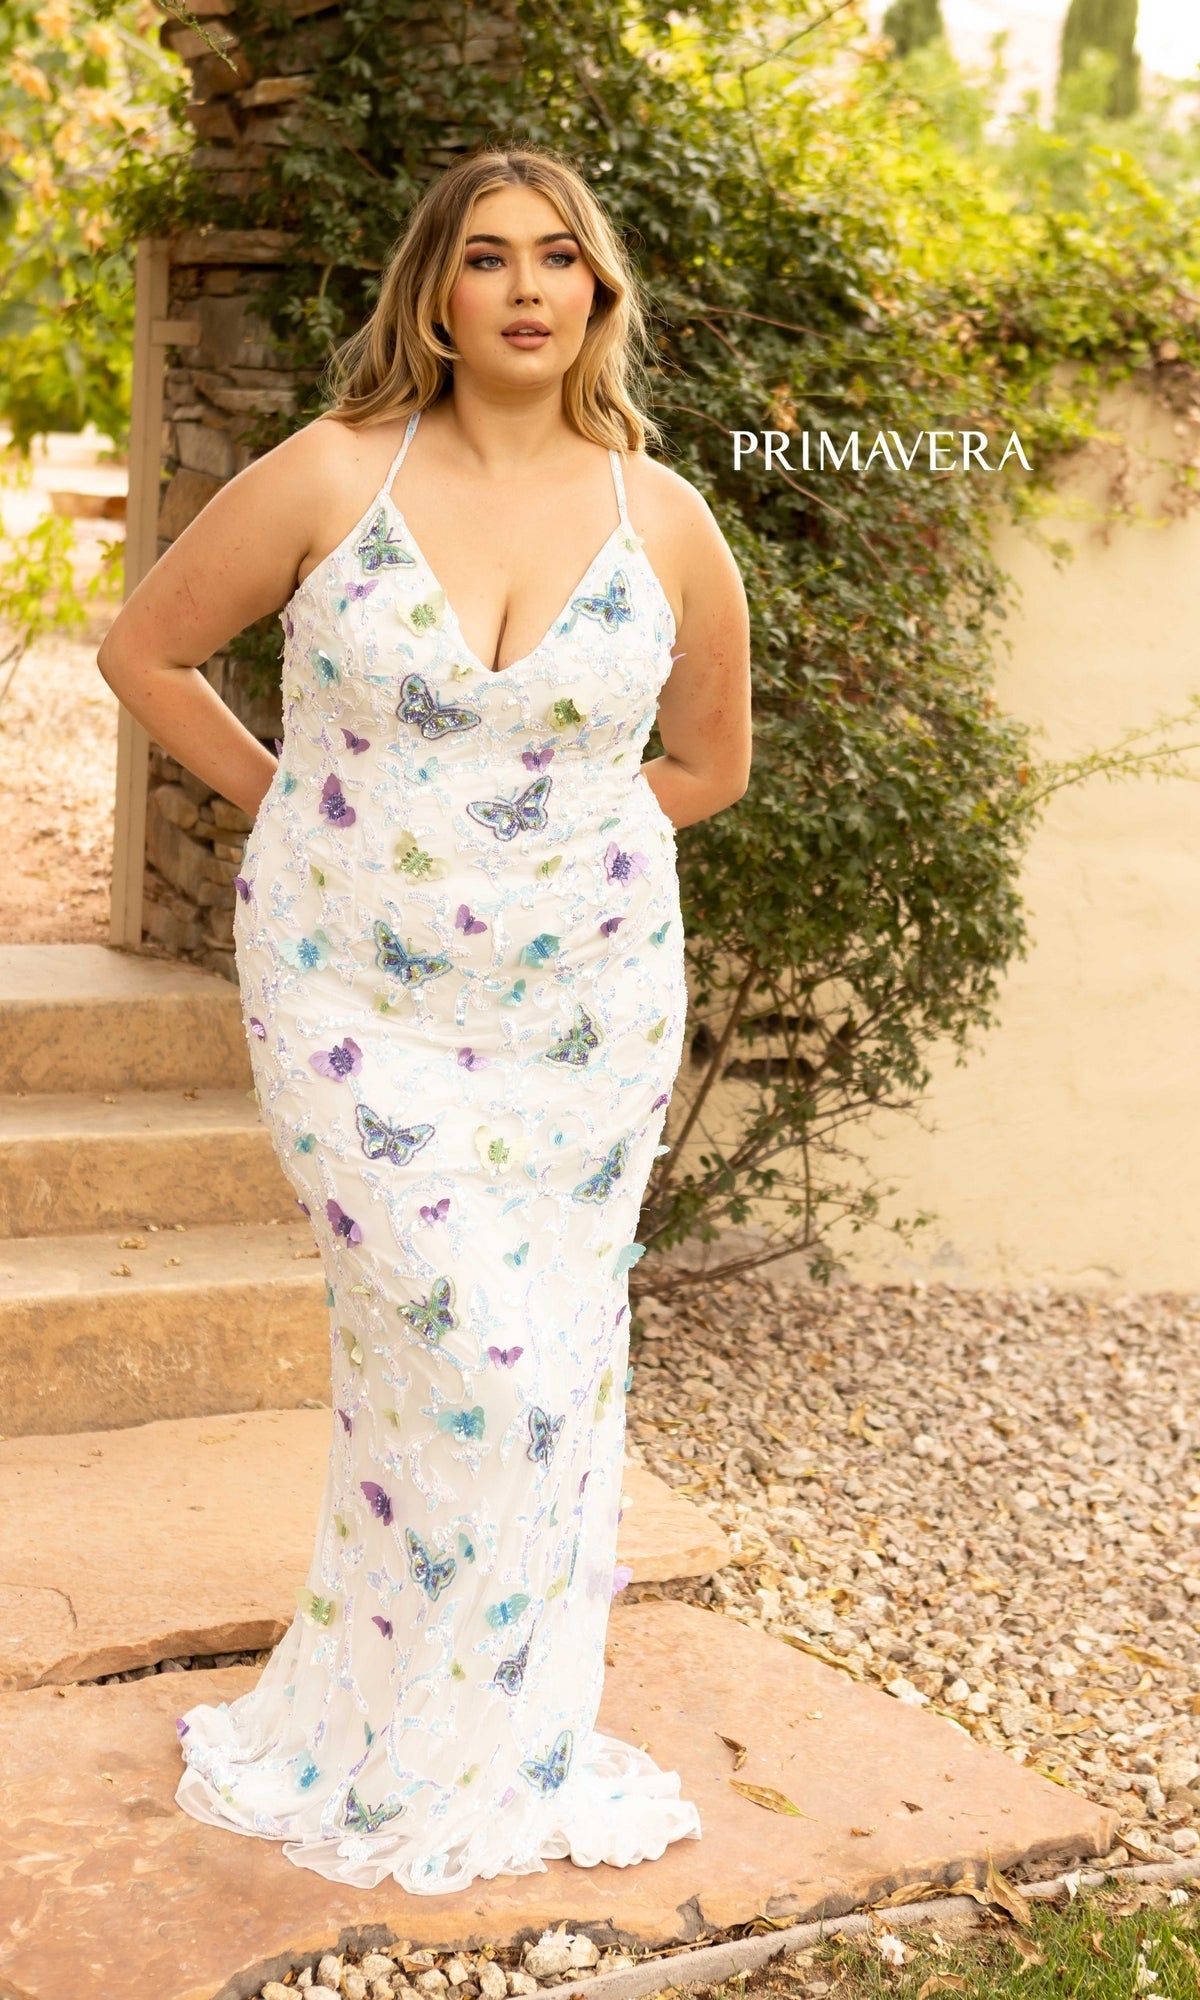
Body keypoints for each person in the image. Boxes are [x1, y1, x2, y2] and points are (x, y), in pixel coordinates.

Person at [97, 143, 751, 1896]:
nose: (527, 287)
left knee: (524, 1377)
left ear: (597, 296)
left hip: (584, 1022)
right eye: (487, 258)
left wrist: (536, 860)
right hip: (352, 1001)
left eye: (559, 258)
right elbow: (143, 653)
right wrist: (301, 809)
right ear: (435, 295)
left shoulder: (664, 517)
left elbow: (706, 765)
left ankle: (481, 1737)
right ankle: (402, 1732)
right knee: (475, 1359)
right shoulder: (330, 475)